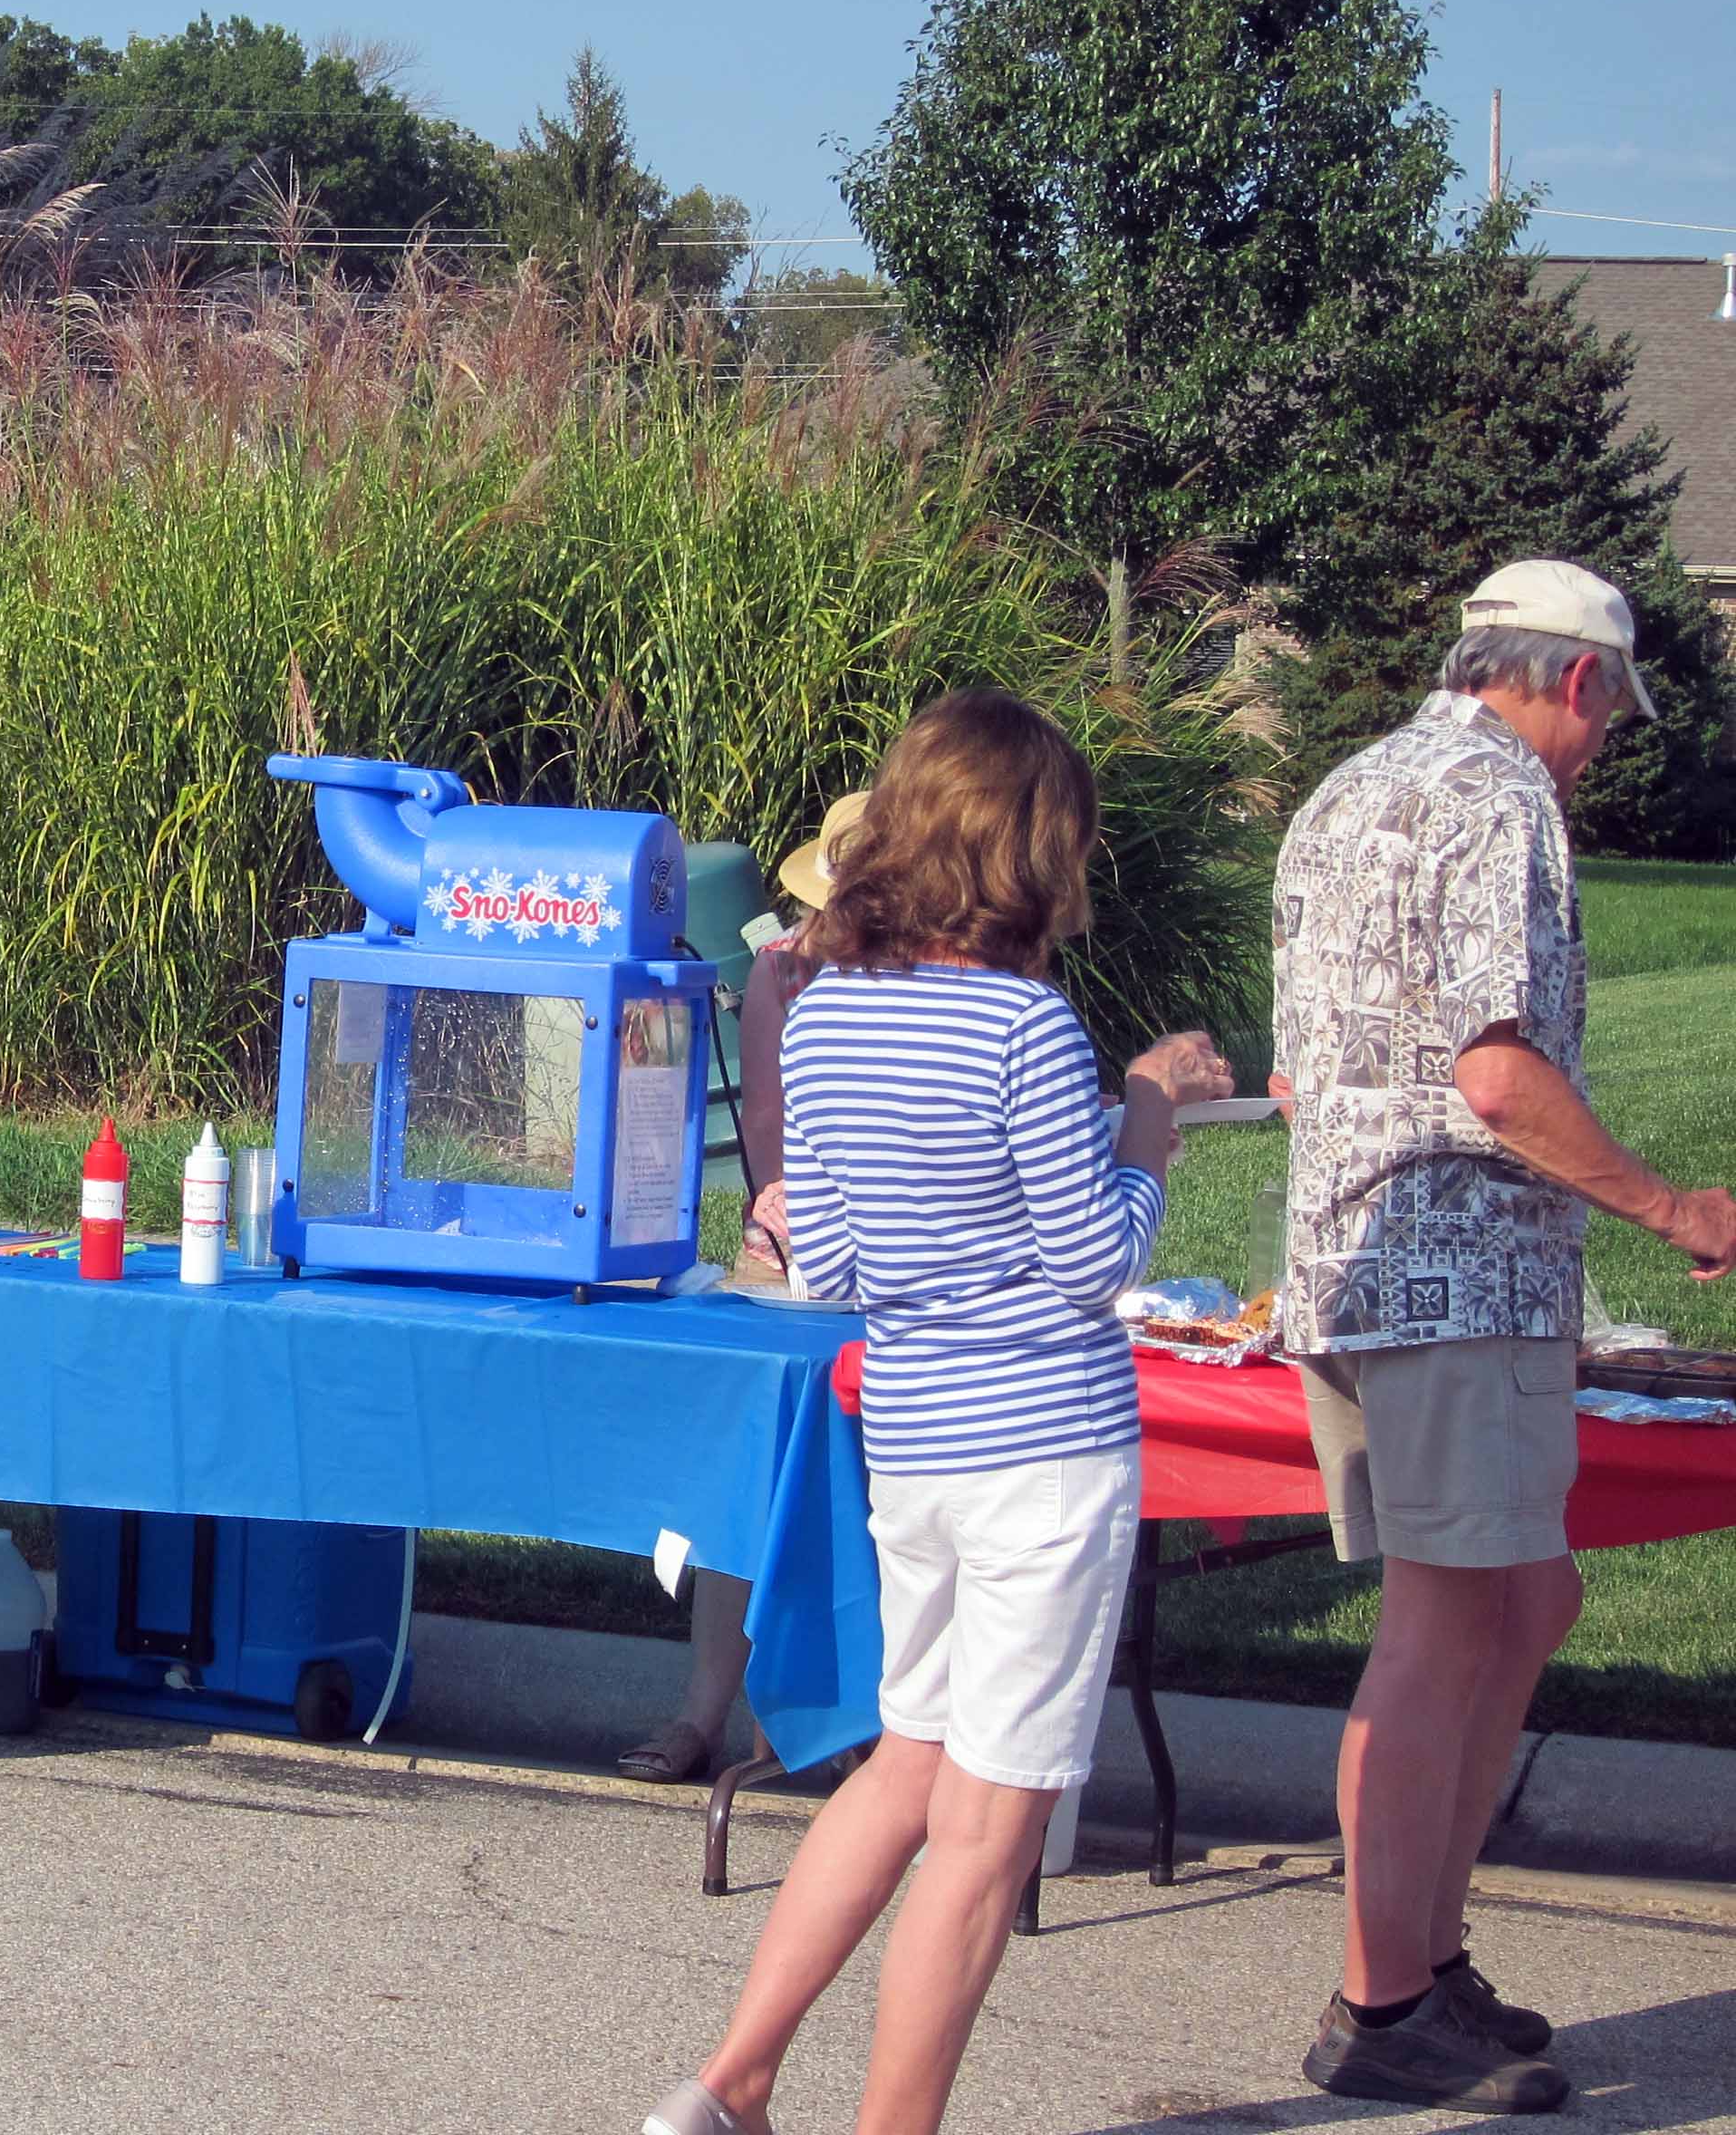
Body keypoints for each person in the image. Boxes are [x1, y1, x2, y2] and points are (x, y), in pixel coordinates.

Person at [645, 690, 1230, 2135]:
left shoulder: (829, 1013)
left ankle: (729, 2083)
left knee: (906, 1762)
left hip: (913, 1444)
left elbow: (835, 1263)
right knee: (984, 1829)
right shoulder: (1028, 1025)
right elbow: (1099, 1259)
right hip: (1045, 1454)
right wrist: (1148, 1114)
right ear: (1027, 851)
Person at [1269, 560, 1735, 2114]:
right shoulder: (1501, 800)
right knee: (1444, 1625)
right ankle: (1384, 2005)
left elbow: (1305, 1068)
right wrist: (1671, 1204)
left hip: (1349, 1264)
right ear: (1578, 681)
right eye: (1608, 716)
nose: (1598, 750)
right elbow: (1495, 1074)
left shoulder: (1346, 787)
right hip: (1457, 1277)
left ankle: (1425, 1950)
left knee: (1525, 1598)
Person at [619, 790, 860, 1785]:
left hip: (897, 1266)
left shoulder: (945, 975)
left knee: (857, 1490)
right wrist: (792, 1218)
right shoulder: (783, 968)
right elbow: (765, 1119)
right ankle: (705, 1710)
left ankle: (843, 1718)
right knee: (744, 1471)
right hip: (790, 1245)